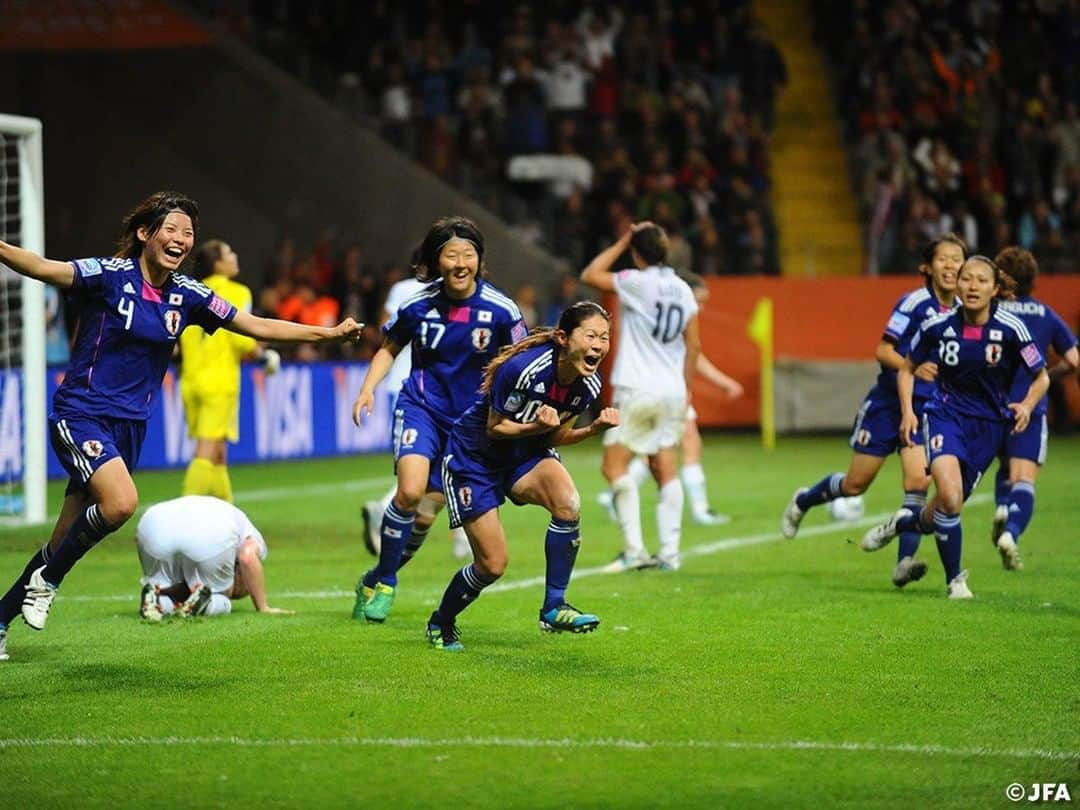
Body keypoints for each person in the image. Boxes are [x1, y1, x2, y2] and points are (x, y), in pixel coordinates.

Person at [0, 191, 362, 661]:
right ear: (144, 234)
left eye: (188, 233)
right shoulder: (109, 277)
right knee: (122, 502)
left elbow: (255, 325)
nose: (181, 239)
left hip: (130, 427)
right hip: (82, 413)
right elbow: (44, 267)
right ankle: (47, 582)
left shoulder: (187, 295)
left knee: (62, 540)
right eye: (171, 229)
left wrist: (327, 334)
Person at [350, 216, 526, 624]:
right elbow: (389, 348)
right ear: (436, 261)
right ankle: (388, 582)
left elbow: (521, 361)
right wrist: (367, 389)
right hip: (422, 408)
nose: (461, 262)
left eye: (469, 254)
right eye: (451, 255)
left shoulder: (501, 310)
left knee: (426, 512)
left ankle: (374, 576)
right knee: (409, 492)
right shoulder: (418, 305)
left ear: (480, 260)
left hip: (470, 425)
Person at [428, 301, 619, 651]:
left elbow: (556, 437)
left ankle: (554, 606)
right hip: (475, 458)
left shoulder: (587, 386)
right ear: (563, 337)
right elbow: (496, 428)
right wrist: (535, 425)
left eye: (605, 338)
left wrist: (593, 429)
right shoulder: (523, 369)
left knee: (568, 503)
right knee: (492, 565)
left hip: (524, 455)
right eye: (590, 335)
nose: (599, 345)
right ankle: (442, 620)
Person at [860, 255, 1050, 599]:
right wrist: (908, 412)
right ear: (958, 285)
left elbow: (1042, 376)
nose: (972, 286)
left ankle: (900, 524)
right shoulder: (938, 327)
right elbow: (906, 367)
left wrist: (1026, 405)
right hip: (944, 414)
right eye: (966, 279)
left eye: (980, 280)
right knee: (949, 496)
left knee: (941, 511)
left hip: (988, 429)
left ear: (995, 289)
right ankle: (955, 581)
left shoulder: (1011, 329)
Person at [781, 235, 965, 588]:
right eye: (943, 259)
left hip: (927, 407)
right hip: (887, 403)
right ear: (927, 267)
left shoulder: (963, 312)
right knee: (855, 485)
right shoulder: (913, 303)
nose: (951, 266)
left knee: (917, 482)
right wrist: (914, 367)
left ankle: (904, 563)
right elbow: (883, 350)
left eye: (957, 259)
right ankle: (804, 499)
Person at [580, 221, 701, 572]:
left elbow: (591, 273)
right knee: (664, 467)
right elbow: (694, 345)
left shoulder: (635, 281)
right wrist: (686, 388)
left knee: (613, 466)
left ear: (636, 251)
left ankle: (634, 549)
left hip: (637, 387)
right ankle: (670, 554)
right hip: (673, 390)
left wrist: (621, 242)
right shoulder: (682, 289)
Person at [359, 256, 472, 563]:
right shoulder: (439, 297)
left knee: (438, 465)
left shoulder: (401, 290)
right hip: (421, 386)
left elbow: (385, 328)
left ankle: (460, 536)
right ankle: (386, 509)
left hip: (402, 382)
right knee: (435, 465)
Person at [988, 247, 1078, 569]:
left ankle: (1001, 504)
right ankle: (1011, 533)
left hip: (993, 404)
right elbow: (1073, 360)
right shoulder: (1045, 314)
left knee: (1003, 464)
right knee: (1024, 478)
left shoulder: (992, 309)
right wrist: (1047, 377)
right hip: (1029, 407)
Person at [179, 239, 280, 502]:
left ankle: (228, 512)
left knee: (218, 452)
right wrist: (265, 356)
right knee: (206, 448)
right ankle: (184, 515)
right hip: (219, 381)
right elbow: (242, 339)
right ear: (218, 264)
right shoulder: (238, 292)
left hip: (190, 380)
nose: (235, 256)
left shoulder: (191, 290)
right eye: (229, 252)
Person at [135, 495, 291, 619]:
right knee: (221, 598)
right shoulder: (251, 534)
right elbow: (247, 557)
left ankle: (155, 599)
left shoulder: (228, 513)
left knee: (164, 588)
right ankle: (208, 602)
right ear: (239, 572)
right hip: (211, 534)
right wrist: (263, 606)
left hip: (152, 524)